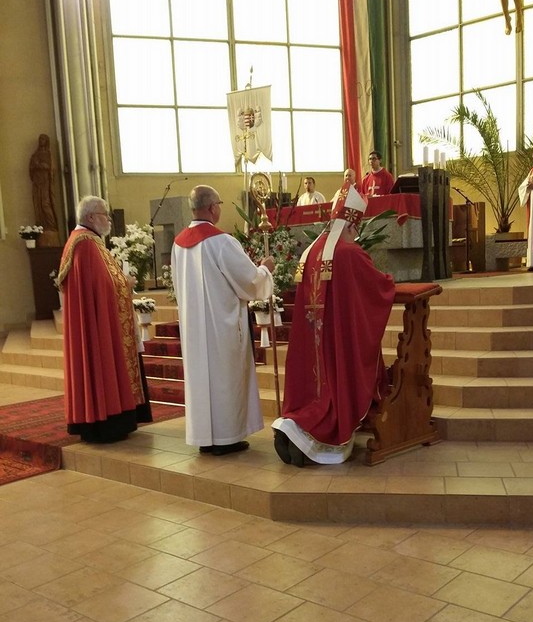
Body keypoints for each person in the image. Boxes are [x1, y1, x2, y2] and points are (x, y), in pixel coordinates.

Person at [272, 183, 396, 466]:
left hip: (313, 334)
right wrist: (389, 281)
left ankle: (292, 427)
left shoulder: (311, 251)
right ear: (351, 224)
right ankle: (312, 438)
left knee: (314, 390)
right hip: (337, 337)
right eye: (356, 229)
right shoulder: (349, 252)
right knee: (334, 391)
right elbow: (377, 287)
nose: (355, 234)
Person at [171, 185, 274, 456]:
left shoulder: (179, 244)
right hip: (222, 328)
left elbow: (177, 286)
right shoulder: (221, 242)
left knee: (202, 381)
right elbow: (249, 282)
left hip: (194, 327)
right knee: (225, 379)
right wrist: (265, 269)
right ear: (211, 207)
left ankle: (205, 437)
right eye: (219, 204)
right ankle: (227, 438)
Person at [57, 196, 152, 442]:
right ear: (90, 217)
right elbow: (106, 285)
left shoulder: (81, 240)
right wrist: (126, 283)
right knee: (102, 361)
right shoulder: (87, 244)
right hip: (99, 324)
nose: (108, 219)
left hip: (93, 319)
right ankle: (108, 421)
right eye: (104, 214)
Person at [29, 133, 59, 246]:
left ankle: (51, 225)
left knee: (46, 204)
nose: (41, 141)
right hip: (38, 183)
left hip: (46, 183)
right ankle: (42, 226)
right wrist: (37, 166)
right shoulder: (35, 155)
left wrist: (41, 166)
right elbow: (31, 168)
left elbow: (51, 169)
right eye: (40, 139)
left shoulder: (49, 154)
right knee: (39, 205)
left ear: (46, 141)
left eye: (43, 139)